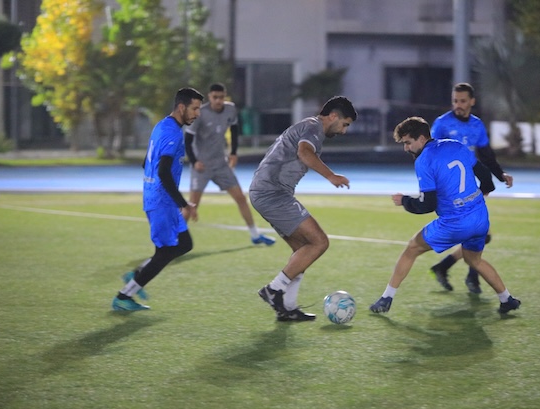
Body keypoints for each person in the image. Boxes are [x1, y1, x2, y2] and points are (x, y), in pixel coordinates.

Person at [369, 116, 521, 315]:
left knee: (412, 248)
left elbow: (427, 205)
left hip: (455, 223)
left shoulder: (424, 160)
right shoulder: (455, 145)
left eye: (408, 142)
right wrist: (476, 197)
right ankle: (506, 299)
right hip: (480, 217)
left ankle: (386, 298)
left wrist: (404, 201)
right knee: (474, 260)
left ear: (421, 138)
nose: (406, 148)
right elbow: (486, 177)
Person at [250, 96, 358, 321]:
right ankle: (273, 289)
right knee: (320, 242)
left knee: (303, 250)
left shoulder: (309, 126)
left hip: (267, 192)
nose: (344, 131)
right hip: (272, 193)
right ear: (333, 116)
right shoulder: (313, 127)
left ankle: (287, 308)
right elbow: (304, 153)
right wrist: (331, 176)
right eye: (344, 124)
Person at [111, 87, 204, 311]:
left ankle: (136, 274)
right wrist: (184, 204)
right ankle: (124, 295)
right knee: (164, 253)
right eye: (194, 109)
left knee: (184, 244)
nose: (197, 114)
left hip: (161, 200)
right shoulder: (173, 134)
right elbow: (162, 172)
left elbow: (146, 163)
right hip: (162, 202)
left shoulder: (162, 125)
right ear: (181, 107)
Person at [429, 82, 514, 294]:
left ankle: (448, 269)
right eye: (455, 101)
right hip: (449, 188)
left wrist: (500, 174)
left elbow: (486, 155)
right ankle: (469, 277)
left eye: (463, 101)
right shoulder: (442, 124)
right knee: (477, 232)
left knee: (479, 234)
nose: (458, 105)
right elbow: (429, 153)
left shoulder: (477, 125)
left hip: (468, 185)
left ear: (472, 102)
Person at [183, 83, 275, 246]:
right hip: (202, 166)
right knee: (192, 205)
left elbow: (233, 129)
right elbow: (188, 140)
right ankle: (173, 240)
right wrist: (194, 161)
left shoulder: (230, 109)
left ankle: (255, 235)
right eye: (215, 97)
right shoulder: (200, 113)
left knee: (240, 198)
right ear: (209, 97)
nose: (218, 101)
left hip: (221, 165)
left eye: (221, 97)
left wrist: (233, 152)